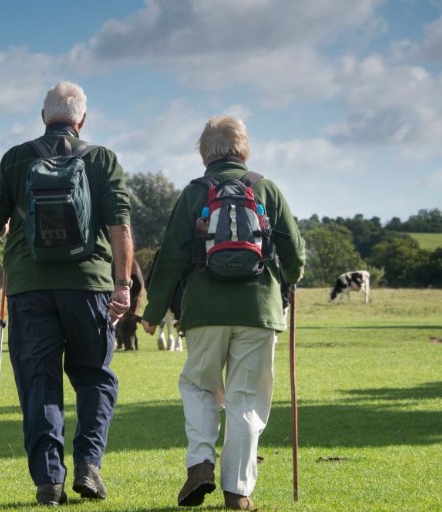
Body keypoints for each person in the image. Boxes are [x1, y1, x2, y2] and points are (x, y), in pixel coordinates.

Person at [0, 81, 134, 506]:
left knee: (39, 383)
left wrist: (10, 224)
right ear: (82, 119)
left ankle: (49, 482)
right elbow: (120, 226)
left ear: (43, 117)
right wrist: (122, 285)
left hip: (30, 289)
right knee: (94, 376)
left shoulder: (15, 158)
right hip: (89, 287)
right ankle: (88, 465)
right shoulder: (102, 159)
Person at [141, 115, 305, 510]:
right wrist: (291, 280)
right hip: (258, 310)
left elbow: (171, 257)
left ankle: (200, 463)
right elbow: (295, 255)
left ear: (205, 153)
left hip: (204, 311)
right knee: (246, 398)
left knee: (199, 386)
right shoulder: (266, 188)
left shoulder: (194, 193)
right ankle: (238, 492)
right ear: (243, 149)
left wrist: (153, 310)